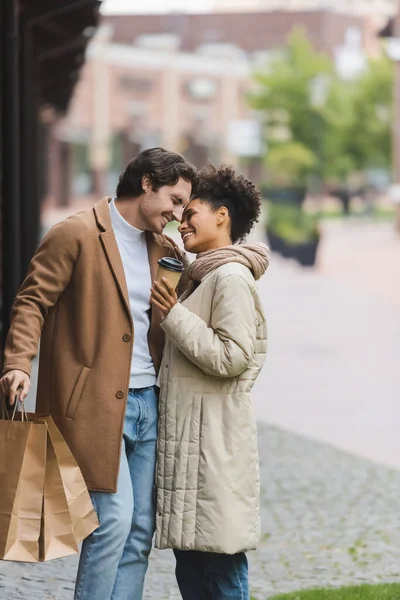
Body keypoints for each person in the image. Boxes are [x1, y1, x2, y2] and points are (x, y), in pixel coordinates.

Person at [0, 147, 197, 600]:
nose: (177, 212)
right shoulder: (76, 233)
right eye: (174, 198)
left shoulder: (163, 248)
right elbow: (32, 301)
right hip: (93, 405)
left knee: (140, 529)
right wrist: (17, 364)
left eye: (184, 205)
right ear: (146, 183)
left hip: (150, 402)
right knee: (113, 521)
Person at [150, 164, 269, 600]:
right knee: (196, 569)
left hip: (214, 446)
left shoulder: (230, 278)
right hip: (195, 442)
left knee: (219, 567)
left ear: (222, 216)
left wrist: (173, 315)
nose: (183, 221)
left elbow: (233, 356)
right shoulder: (203, 274)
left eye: (192, 211)